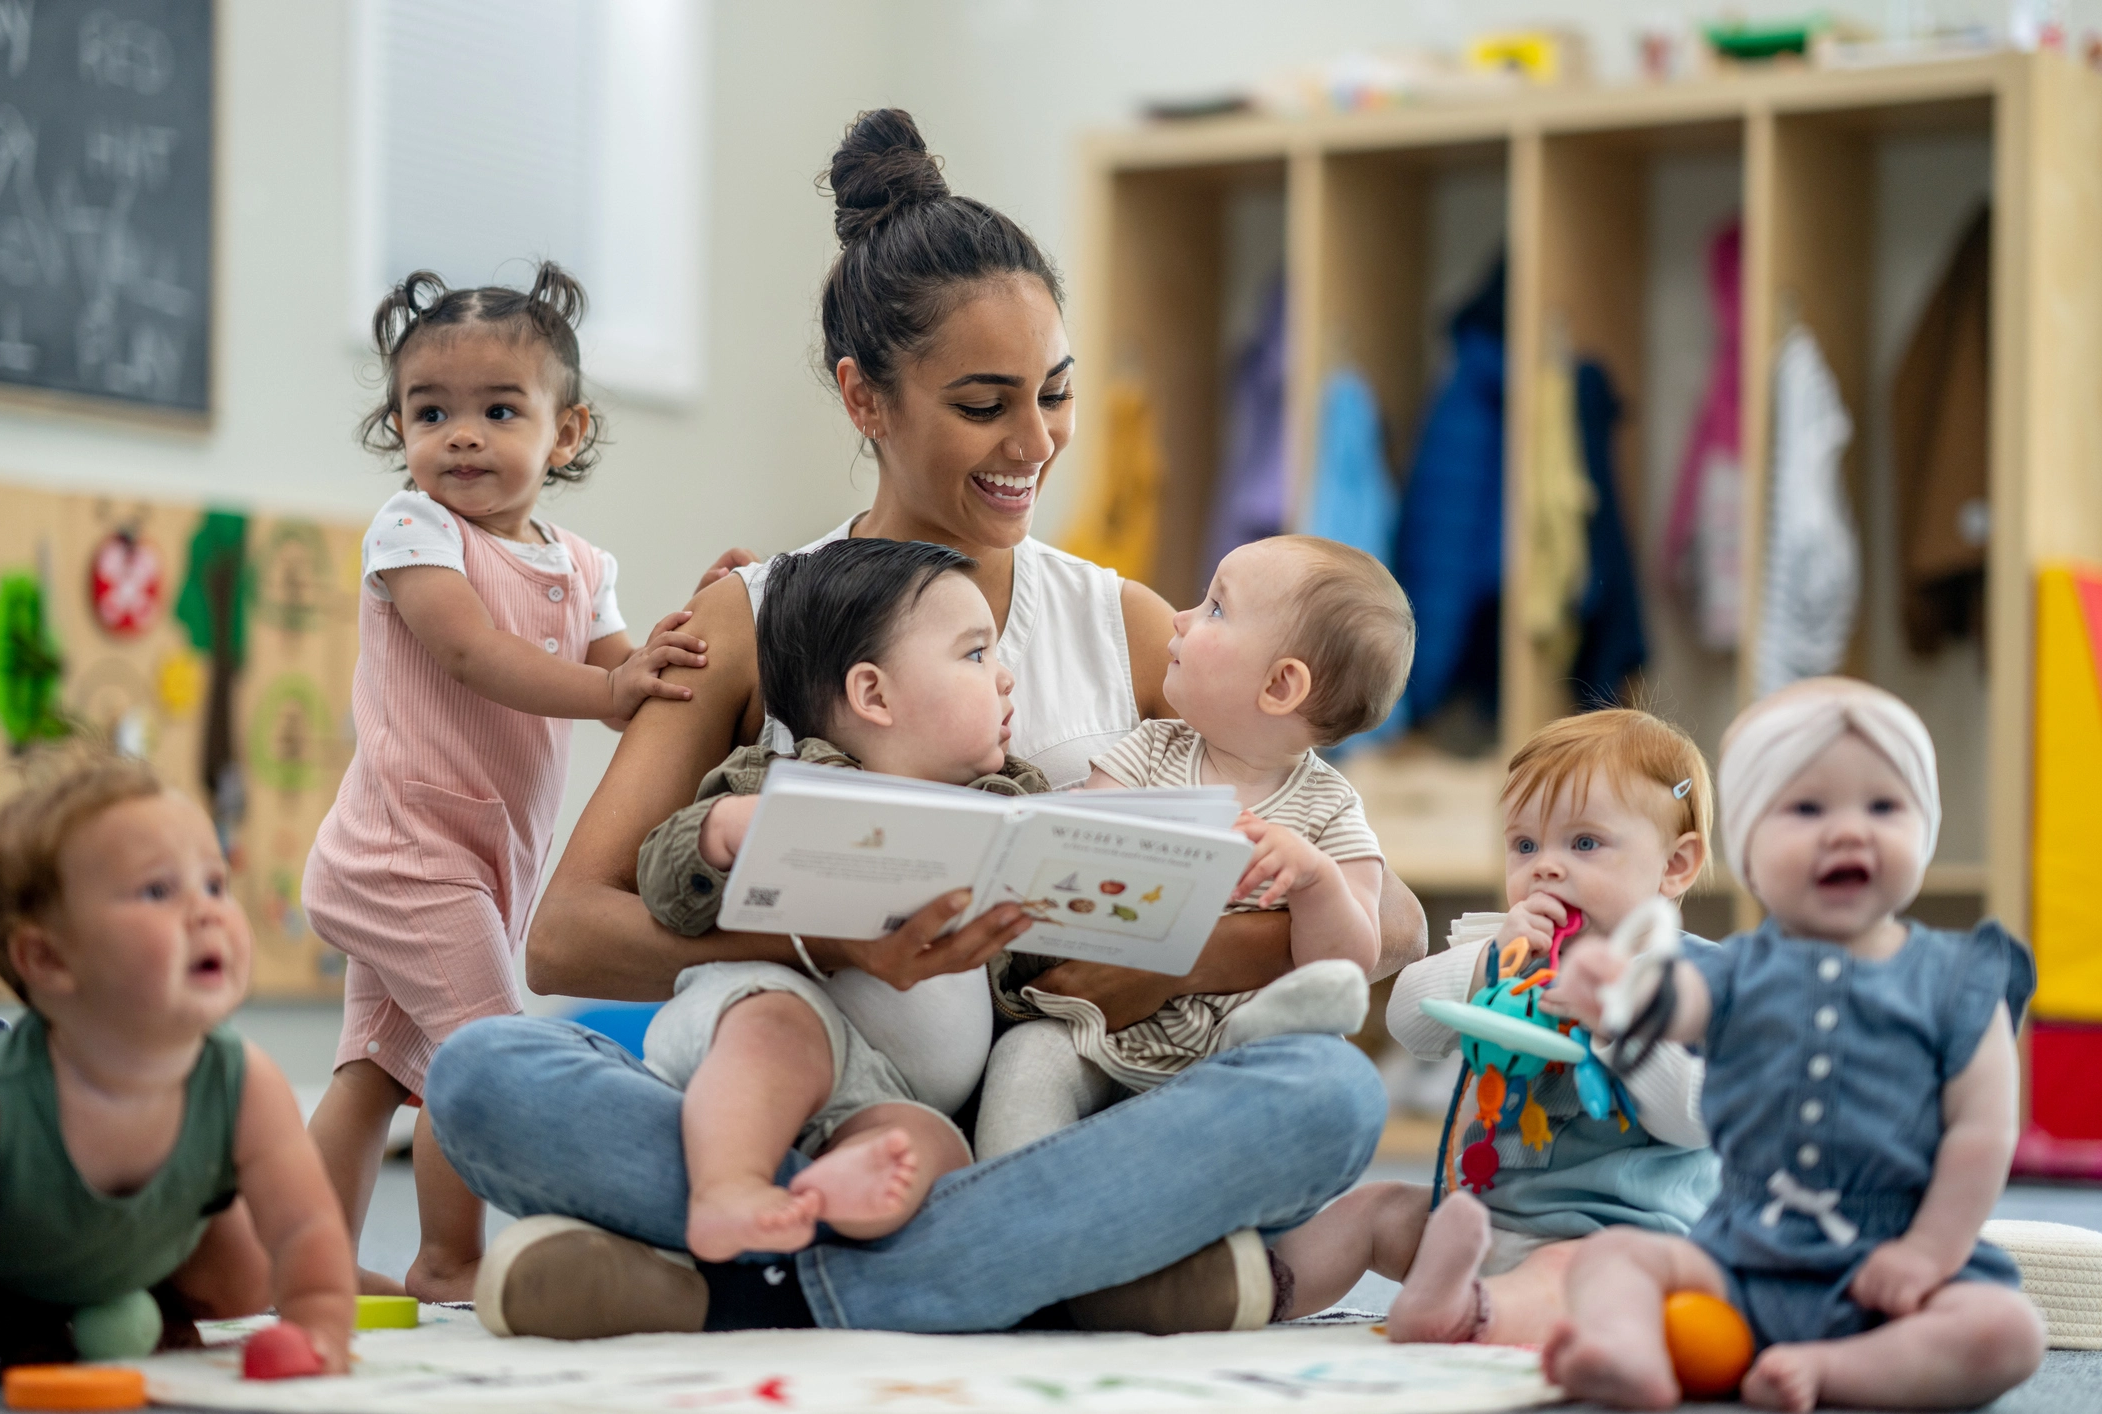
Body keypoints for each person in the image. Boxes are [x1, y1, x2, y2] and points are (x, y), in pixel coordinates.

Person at [426, 108, 1419, 1341]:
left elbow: (1389, 917)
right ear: (866, 397)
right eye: (984, 403)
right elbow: (564, 936)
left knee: (1324, 1093)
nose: (1036, 441)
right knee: (482, 1076)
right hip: (800, 1084)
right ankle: (1026, 1275)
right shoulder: (753, 615)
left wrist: (1132, 964)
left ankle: (755, 1284)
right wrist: (820, 955)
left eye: (1054, 393)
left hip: (1033, 1106)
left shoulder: (1132, 626)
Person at [301, 263, 705, 1301]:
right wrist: (610, 691)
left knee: (375, 1073)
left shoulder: (581, 566)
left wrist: (694, 626)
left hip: (475, 861)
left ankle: (297, 1258)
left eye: (497, 409)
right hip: (405, 855)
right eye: (429, 411)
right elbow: (477, 654)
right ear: (397, 427)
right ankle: (448, 1257)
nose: (461, 434)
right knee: (481, 1056)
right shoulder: (412, 533)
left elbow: (631, 679)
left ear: (565, 433)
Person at [1541, 678, 2043, 1411]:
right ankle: (1628, 1355)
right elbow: (1674, 1001)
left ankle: (1837, 1371)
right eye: (1805, 809)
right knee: (1613, 1255)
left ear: (1923, 829)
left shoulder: (1959, 981)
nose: (1846, 831)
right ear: (1745, 850)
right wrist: (1617, 990)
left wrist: (1927, 1254)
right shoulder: (1738, 969)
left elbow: (1982, 1132)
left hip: (1886, 1269)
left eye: (1882, 807)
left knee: (2006, 1332)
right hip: (1738, 1257)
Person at [637, 538, 1041, 1263]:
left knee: (938, 1155)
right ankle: (727, 1188)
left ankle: (822, 1201)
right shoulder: (781, 783)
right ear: (873, 694)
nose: (1005, 679)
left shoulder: (1012, 808)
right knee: (777, 1028)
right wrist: (719, 832)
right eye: (976, 655)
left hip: (888, 1095)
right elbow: (666, 890)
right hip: (769, 1029)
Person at [1272, 709, 1721, 1336]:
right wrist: (1487, 965)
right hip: (1479, 1222)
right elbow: (1409, 1021)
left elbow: (1700, 1116)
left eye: (1585, 843)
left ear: (1675, 865)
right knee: (1376, 1209)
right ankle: (1247, 1290)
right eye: (1525, 845)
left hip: (1609, 1245)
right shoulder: (1509, 951)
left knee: (1566, 1275)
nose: (1546, 866)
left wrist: (1616, 1022)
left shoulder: (1693, 982)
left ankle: (1468, 1315)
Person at [977, 534, 1409, 1158]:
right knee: (1026, 1057)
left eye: (1214, 608)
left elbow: (1348, 963)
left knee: (1309, 1092)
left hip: (1245, 1051)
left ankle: (1225, 1236)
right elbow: (1069, 849)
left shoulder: (1329, 808)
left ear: (1281, 685)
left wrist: (1316, 883)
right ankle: (1010, 1212)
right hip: (1107, 1028)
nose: (1179, 617)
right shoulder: (1150, 749)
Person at [0, 754, 353, 1370]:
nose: (206, 910)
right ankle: (32, 1320)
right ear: (47, 960)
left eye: (214, 884)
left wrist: (319, 1321)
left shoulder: (245, 1081)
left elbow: (305, 1227)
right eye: (158, 890)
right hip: (7, 1268)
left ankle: (144, 1303)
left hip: (153, 1256)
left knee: (248, 1274)